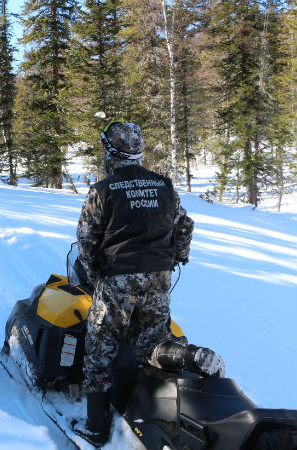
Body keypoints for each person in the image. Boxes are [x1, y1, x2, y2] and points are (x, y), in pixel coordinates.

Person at [71, 121, 226, 448]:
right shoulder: (164, 186)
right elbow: (184, 226)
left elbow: (85, 242)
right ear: (138, 152)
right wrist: (176, 257)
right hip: (158, 279)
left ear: (110, 152)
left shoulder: (102, 190)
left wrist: (96, 271)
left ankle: (95, 429)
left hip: (118, 279)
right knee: (150, 342)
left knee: (99, 348)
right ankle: (191, 356)